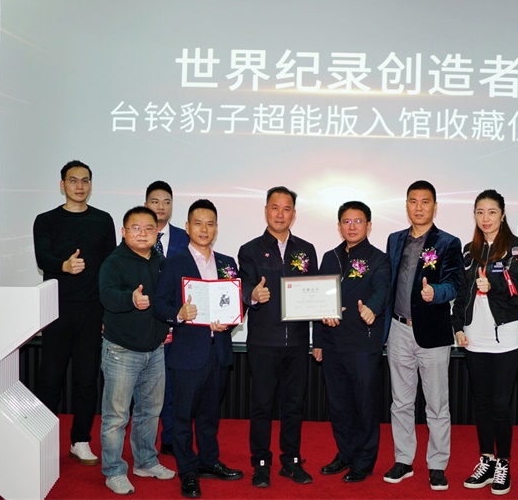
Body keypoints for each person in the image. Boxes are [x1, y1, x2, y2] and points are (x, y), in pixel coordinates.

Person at [155, 199, 245, 498]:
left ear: (216, 228)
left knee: (209, 415)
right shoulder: (173, 263)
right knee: (182, 417)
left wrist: (229, 321)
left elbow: (235, 304)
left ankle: (208, 461)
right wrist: (179, 314)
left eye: (210, 224)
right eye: (198, 223)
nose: (204, 229)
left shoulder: (227, 262)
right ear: (187, 227)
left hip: (218, 351)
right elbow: (159, 305)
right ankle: (188, 471)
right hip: (187, 354)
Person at [33, 160, 116, 466]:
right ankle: (40, 441)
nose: (79, 186)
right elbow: (42, 257)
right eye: (73, 180)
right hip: (56, 310)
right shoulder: (46, 220)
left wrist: (108, 312)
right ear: (62, 185)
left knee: (86, 380)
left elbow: (109, 267)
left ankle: (80, 440)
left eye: (85, 180)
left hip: (92, 311)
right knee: (50, 380)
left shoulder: (103, 220)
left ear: (90, 185)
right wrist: (64, 266)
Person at [381, 180, 463, 491]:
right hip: (398, 329)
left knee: (437, 404)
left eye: (425, 202)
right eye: (413, 201)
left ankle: (437, 464)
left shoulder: (448, 242)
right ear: (406, 205)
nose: (418, 207)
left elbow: (454, 284)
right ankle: (403, 459)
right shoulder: (394, 240)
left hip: (433, 333)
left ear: (435, 207)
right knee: (400, 402)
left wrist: (435, 293)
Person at [237, 186, 319, 488]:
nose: (280, 214)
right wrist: (252, 295)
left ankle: (291, 461)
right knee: (262, 406)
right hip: (263, 342)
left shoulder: (306, 249)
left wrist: (324, 317)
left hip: (296, 342)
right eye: (275, 207)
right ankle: (261, 462)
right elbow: (243, 287)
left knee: (293, 405)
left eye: (286, 209)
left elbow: (315, 291)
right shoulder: (250, 249)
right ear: (266, 211)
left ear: (294, 214)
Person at [452, 190, 518, 495]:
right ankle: (486, 460)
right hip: (475, 336)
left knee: (500, 403)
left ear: (503, 215)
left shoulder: (516, 248)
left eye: (492, 212)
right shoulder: (469, 250)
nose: (486, 218)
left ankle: (504, 463)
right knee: (481, 403)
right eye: (480, 212)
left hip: (506, 336)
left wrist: (492, 284)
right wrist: (457, 326)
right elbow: (461, 293)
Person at [98, 206, 176, 495]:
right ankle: (114, 470)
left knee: (150, 412)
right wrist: (130, 298)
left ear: (157, 232)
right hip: (121, 351)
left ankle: (145, 461)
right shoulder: (113, 262)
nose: (143, 233)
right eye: (135, 227)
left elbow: (168, 298)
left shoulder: (161, 261)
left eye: (149, 228)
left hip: (155, 350)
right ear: (124, 231)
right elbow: (106, 296)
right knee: (116, 417)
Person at [312, 201, 391, 484]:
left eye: (358, 221)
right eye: (347, 221)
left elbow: (382, 290)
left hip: (362, 344)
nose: (352, 226)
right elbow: (317, 297)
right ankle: (345, 454)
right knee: (339, 405)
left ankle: (364, 461)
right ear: (339, 226)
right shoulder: (329, 257)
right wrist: (318, 341)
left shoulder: (379, 259)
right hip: (332, 343)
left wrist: (371, 309)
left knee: (365, 405)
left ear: (368, 225)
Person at [145, 180, 190, 457]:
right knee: (146, 389)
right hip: (146, 322)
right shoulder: (137, 236)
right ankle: (144, 442)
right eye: (155, 201)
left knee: (174, 386)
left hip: (178, 323)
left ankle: (171, 437)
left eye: (166, 202)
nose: (161, 207)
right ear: (145, 203)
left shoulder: (186, 239)